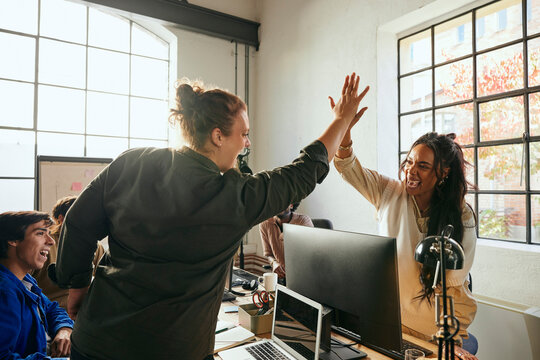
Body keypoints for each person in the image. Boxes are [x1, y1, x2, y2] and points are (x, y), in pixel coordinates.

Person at [55, 73, 369, 360]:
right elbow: (304, 172)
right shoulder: (235, 197)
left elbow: (77, 223)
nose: (247, 144)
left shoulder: (130, 162)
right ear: (218, 136)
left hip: (95, 342)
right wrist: (341, 121)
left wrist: (79, 286)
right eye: (244, 134)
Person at [334, 130, 478, 360]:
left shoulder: (461, 216)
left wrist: (451, 340)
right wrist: (345, 135)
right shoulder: (389, 192)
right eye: (409, 161)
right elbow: (349, 169)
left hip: (430, 331)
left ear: (443, 172)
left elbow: (454, 288)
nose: (411, 170)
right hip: (389, 323)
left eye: (423, 165)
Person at [0, 211, 74, 360]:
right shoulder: (4, 292)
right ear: (12, 239)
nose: (51, 241)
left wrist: (64, 330)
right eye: (40, 233)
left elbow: (52, 309)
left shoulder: (26, 281)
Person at [31, 196, 105, 313]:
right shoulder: (45, 245)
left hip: (85, 313)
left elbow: (102, 280)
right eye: (79, 216)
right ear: (61, 218)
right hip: (51, 314)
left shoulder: (96, 246)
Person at [259, 202, 313, 281]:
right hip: (280, 277)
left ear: (291, 205)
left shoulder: (303, 221)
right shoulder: (264, 224)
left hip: (302, 276)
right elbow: (268, 254)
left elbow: (310, 253)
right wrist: (274, 263)